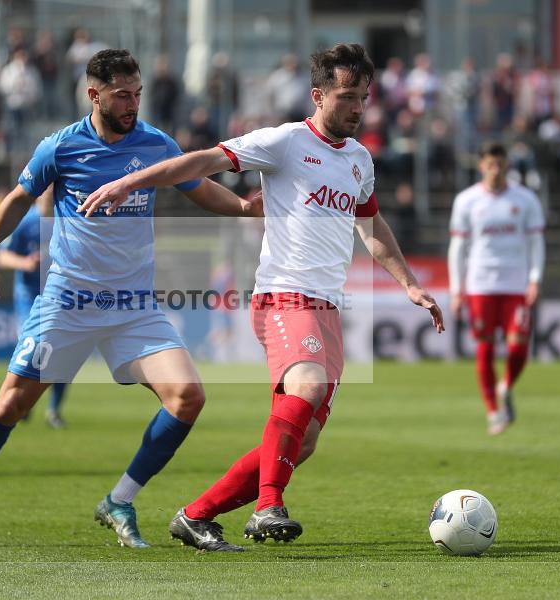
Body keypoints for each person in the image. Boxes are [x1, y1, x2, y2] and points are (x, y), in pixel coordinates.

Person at [79, 43, 444, 552]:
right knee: (307, 387)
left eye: (363, 97)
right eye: (346, 97)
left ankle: (195, 516)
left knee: (303, 441)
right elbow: (201, 161)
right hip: (284, 296)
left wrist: (408, 283)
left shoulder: (359, 160)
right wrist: (128, 183)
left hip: (328, 307)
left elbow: (371, 225)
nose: (358, 108)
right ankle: (268, 505)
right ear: (318, 95)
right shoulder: (285, 142)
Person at [0, 49, 261, 550]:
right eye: (122, 95)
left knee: (188, 397)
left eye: (137, 93)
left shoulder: (156, 143)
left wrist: (245, 208)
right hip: (68, 302)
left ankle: (119, 499)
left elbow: (198, 187)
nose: (132, 104)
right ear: (94, 94)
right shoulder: (61, 146)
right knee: (10, 405)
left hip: (133, 307)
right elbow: (18, 199)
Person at [447, 142, 545, 435]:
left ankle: (506, 386)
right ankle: (493, 411)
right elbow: (457, 248)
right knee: (485, 347)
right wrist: (456, 289)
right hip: (481, 285)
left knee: (519, 345)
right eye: (490, 164)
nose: (495, 169)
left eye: (500, 164)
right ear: (481, 166)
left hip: (516, 284)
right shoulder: (467, 200)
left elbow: (536, 242)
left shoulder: (525, 199)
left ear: (507, 165)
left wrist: (535, 279)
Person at [0, 185, 70, 428]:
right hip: (29, 297)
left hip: (60, 296)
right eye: (47, 188)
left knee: (64, 353)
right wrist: (25, 263)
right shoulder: (25, 221)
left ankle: (53, 410)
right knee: (34, 349)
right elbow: (2, 257)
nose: (50, 192)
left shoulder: (66, 218)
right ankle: (21, 400)